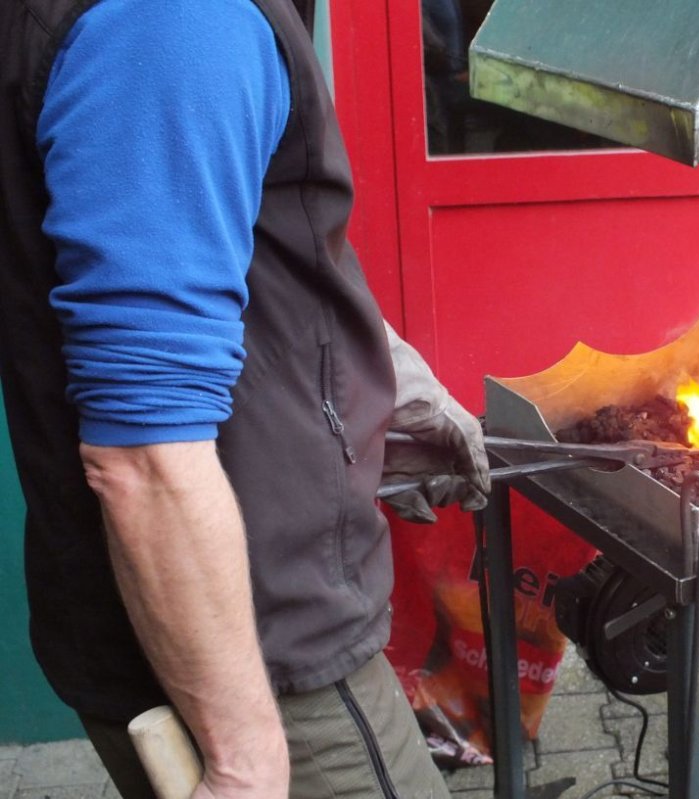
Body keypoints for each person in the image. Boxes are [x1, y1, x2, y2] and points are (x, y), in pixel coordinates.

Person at [0, 0, 489, 796]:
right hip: (258, 649)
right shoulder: (173, 20)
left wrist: (371, 375)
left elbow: (237, 241)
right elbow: (144, 454)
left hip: (188, 622)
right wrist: (244, 762)